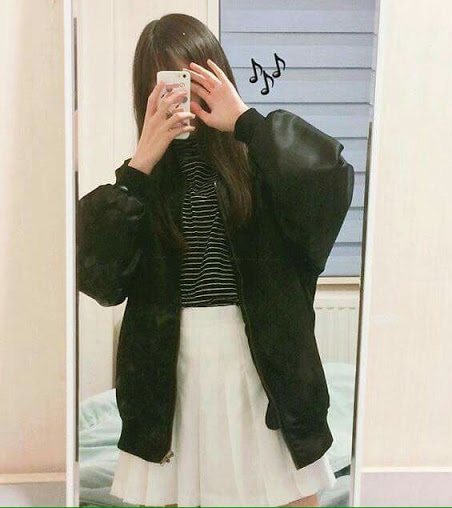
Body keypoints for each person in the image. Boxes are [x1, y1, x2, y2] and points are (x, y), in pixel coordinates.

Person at [77, 12, 354, 508]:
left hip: (263, 366)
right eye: (167, 86)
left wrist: (246, 122)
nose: (182, 98)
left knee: (288, 492)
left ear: (216, 76)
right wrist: (139, 166)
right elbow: (97, 277)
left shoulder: (259, 162)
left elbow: (330, 179)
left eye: (193, 80)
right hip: (171, 374)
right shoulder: (139, 185)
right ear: (146, 95)